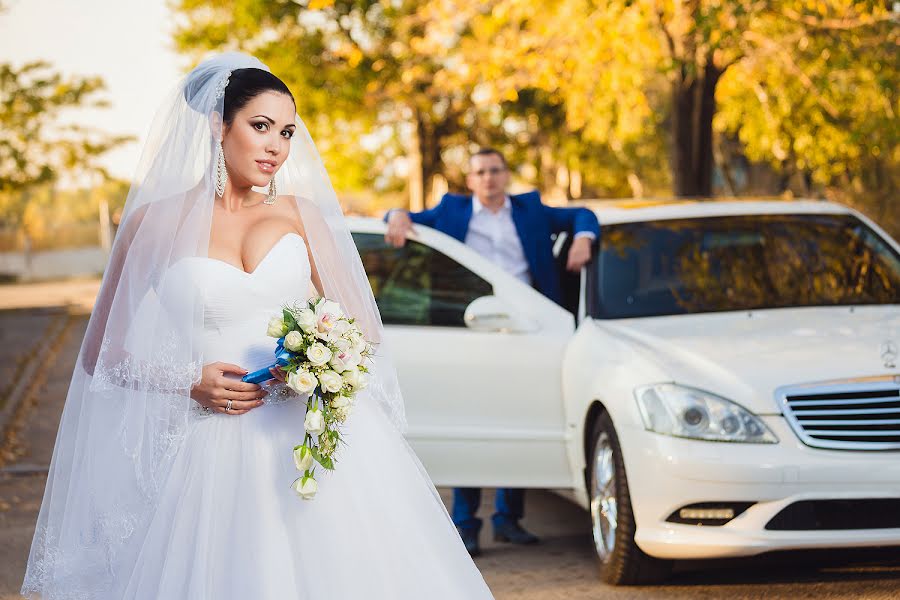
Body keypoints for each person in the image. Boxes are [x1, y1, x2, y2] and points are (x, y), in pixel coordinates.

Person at [22, 53, 495, 600]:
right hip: (211, 449)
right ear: (218, 127)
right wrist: (189, 383)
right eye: (261, 126)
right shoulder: (150, 227)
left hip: (317, 440)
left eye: (287, 132)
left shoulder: (301, 215)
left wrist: (318, 360)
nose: (276, 146)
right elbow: (100, 353)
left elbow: (364, 331)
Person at [384, 148, 600, 556]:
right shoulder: (451, 211)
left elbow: (582, 216)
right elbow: (403, 217)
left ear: (506, 175)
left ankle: (508, 520)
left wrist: (583, 240)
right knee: (471, 413)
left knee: (515, 414)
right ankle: (466, 523)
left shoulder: (531, 209)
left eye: (495, 170)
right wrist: (395, 215)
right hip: (470, 328)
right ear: (470, 180)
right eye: (480, 172)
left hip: (526, 330)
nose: (489, 178)